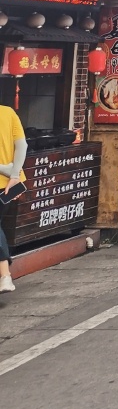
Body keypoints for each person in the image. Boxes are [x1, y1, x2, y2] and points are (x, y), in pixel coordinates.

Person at [0, 104, 28, 292]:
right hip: (8, 185)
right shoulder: (7, 112)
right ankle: (4, 276)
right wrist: (15, 175)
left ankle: (5, 275)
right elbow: (22, 145)